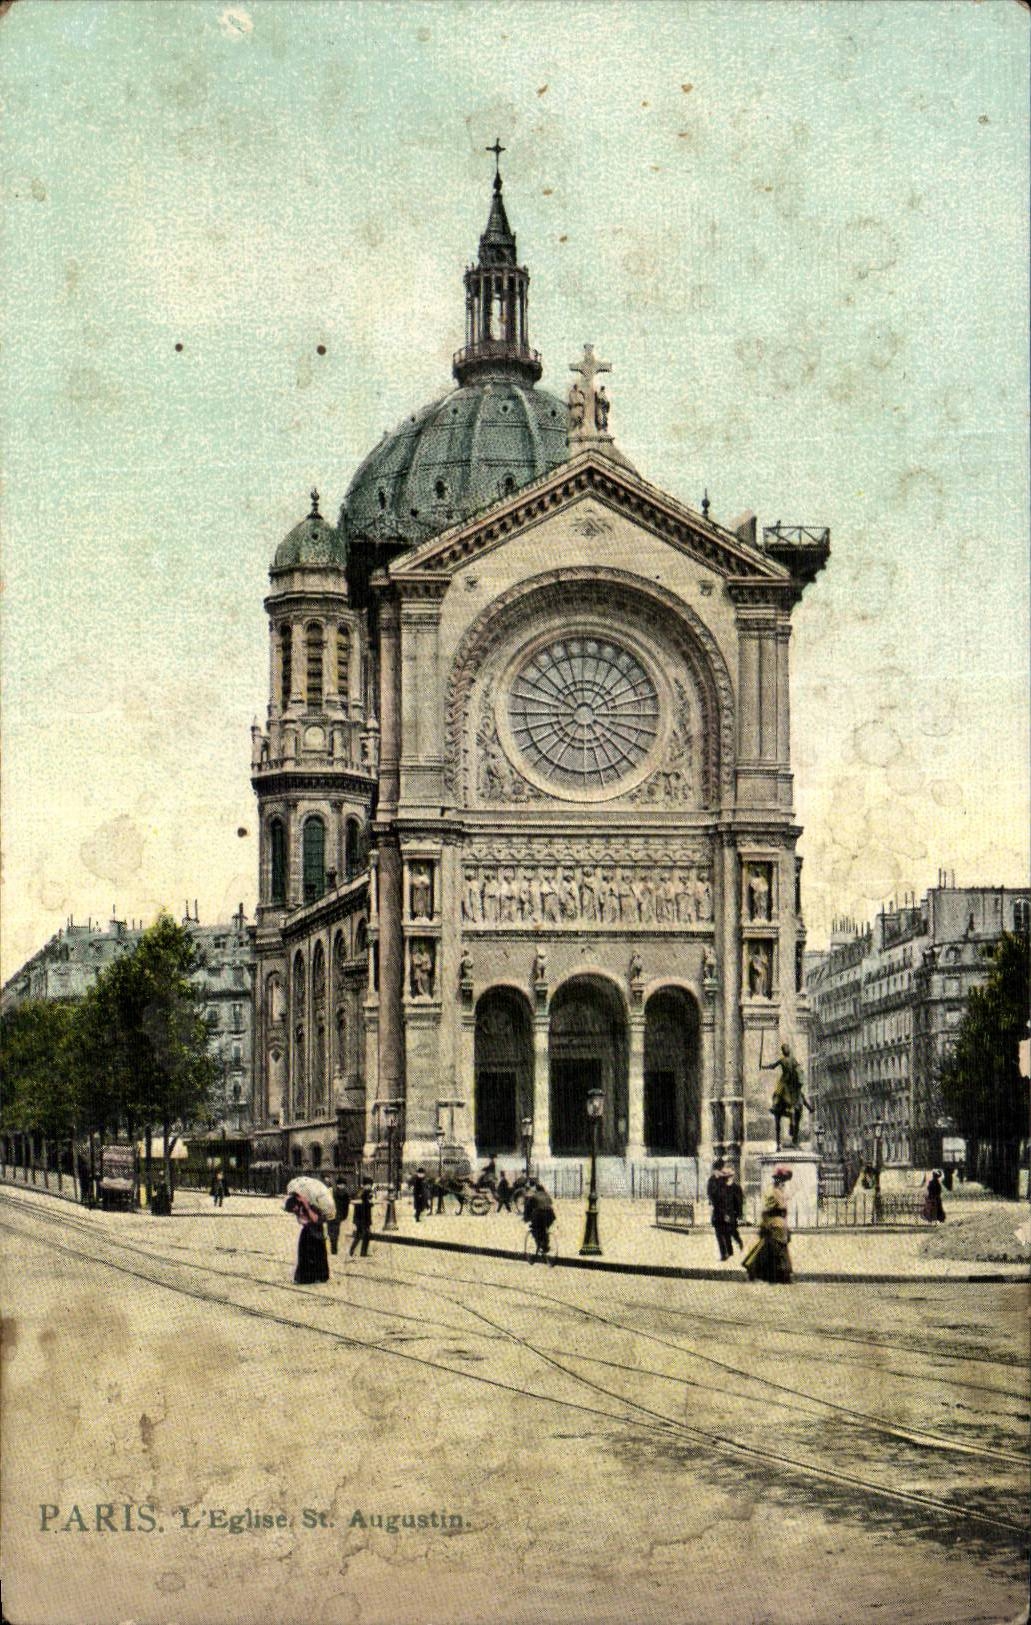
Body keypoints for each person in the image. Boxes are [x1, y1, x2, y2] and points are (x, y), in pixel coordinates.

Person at [742, 1166, 793, 1283]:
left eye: (784, 1180)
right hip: (773, 1224)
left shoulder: (780, 1191)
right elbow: (767, 1210)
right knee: (773, 1250)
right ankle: (773, 1275)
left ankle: (779, 1276)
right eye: (781, 1180)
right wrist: (767, 1224)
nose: (783, 1183)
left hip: (780, 1225)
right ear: (777, 1180)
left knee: (775, 1250)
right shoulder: (772, 1192)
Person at [762, 1043, 811, 1149]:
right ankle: (776, 1105)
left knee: (785, 1093)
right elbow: (775, 1066)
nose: (786, 1050)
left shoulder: (788, 1060)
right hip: (788, 1081)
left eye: (787, 1049)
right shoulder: (788, 1060)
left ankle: (776, 1106)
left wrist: (764, 1067)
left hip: (788, 1081)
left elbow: (774, 1067)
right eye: (785, 1049)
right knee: (781, 1092)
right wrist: (765, 1066)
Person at [286, 1192, 330, 1284]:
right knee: (305, 1255)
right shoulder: (299, 1209)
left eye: (294, 1208)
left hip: (316, 1232)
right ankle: (306, 1277)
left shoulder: (311, 1206)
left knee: (316, 1254)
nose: (294, 1210)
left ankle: (317, 1276)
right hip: (307, 1232)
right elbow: (301, 1221)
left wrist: (307, 1207)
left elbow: (315, 1219)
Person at [526, 1182, 556, 1264]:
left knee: (535, 1229)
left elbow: (528, 1207)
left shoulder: (534, 1196)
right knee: (544, 1229)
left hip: (540, 1215)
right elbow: (550, 1203)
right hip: (550, 1216)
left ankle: (541, 1244)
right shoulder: (546, 1195)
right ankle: (545, 1244)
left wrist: (527, 1218)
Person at [722, 1166, 745, 1254]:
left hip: (732, 1212)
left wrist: (739, 1214)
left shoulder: (736, 1188)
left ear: (732, 1176)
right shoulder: (722, 1187)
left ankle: (739, 1242)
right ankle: (729, 1251)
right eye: (726, 1176)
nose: (727, 1178)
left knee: (732, 1230)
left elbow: (740, 1201)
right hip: (723, 1212)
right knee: (725, 1231)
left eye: (729, 1176)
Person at [349, 1182, 374, 1257]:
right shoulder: (363, 1192)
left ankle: (352, 1250)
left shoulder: (360, 1191)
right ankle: (363, 1252)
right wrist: (370, 1203)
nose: (370, 1187)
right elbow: (365, 1203)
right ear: (366, 1185)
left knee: (359, 1235)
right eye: (370, 1185)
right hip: (363, 1218)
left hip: (359, 1218)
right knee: (366, 1235)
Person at [327, 1177, 351, 1254]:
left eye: (343, 1185)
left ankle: (334, 1250)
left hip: (335, 1215)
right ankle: (334, 1249)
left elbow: (346, 1207)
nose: (342, 1186)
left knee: (333, 1233)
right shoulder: (340, 1193)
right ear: (337, 1185)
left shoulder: (339, 1193)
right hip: (335, 1215)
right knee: (333, 1233)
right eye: (340, 1184)